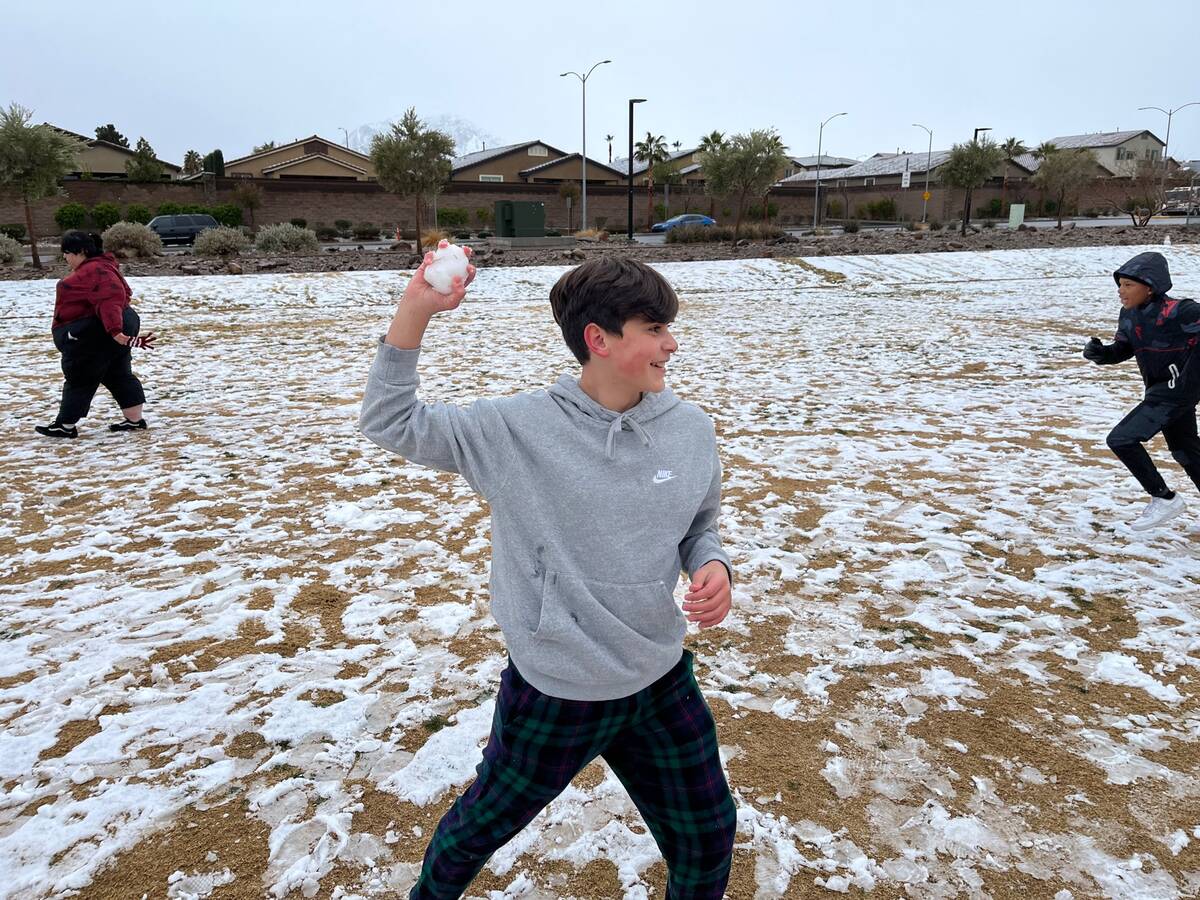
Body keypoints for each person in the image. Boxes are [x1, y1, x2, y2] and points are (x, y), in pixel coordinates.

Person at [360, 246, 737, 899]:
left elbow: (700, 524)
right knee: (478, 829)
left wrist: (712, 566)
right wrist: (416, 308)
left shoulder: (691, 430)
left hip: (659, 679)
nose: (671, 345)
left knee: (709, 839)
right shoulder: (515, 431)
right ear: (599, 339)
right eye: (654, 329)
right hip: (558, 689)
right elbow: (391, 420)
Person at [1084, 251, 1200, 530]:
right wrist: (1102, 354)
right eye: (1120, 285)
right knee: (1185, 450)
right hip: (1159, 391)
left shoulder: (1179, 310)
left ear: (1150, 286)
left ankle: (1164, 498)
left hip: (1176, 392)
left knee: (1122, 439)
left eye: (1128, 285)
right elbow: (1123, 348)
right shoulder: (1129, 315)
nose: (1121, 292)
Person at [36, 231, 156, 439]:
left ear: (82, 251)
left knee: (80, 376)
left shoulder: (95, 271)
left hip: (95, 332)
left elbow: (110, 299)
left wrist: (115, 332)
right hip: (111, 326)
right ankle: (134, 421)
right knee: (118, 374)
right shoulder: (103, 265)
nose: (65, 257)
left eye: (67, 252)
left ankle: (64, 425)